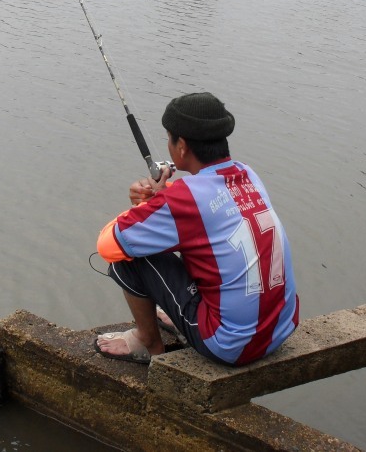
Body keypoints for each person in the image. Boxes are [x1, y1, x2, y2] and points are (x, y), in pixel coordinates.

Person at [94, 92, 299, 366]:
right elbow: (207, 209)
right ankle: (182, 312)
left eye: (169, 138)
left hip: (231, 346)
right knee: (204, 247)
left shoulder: (184, 199)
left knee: (127, 258)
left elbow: (109, 244)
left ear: (182, 147)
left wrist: (141, 210)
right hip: (280, 329)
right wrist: (160, 199)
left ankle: (147, 340)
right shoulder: (247, 174)